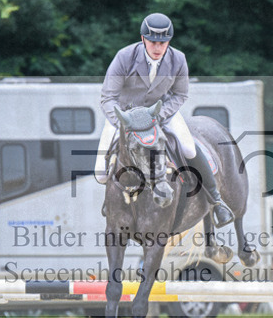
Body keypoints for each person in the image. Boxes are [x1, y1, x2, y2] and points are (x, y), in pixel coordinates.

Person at [94, 13, 234, 227]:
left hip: (160, 113)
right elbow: (107, 97)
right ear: (143, 39)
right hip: (125, 116)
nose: (158, 47)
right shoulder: (124, 57)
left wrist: (158, 116)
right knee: (101, 174)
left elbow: (180, 95)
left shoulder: (178, 59)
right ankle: (113, 204)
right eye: (153, 42)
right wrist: (123, 123)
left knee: (188, 148)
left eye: (163, 42)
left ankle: (216, 200)